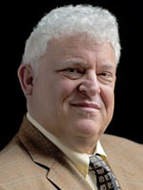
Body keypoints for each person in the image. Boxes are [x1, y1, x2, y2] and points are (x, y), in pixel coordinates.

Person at [0, 4, 142, 190]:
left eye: (104, 74)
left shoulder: (139, 156)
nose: (93, 88)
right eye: (74, 70)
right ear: (29, 80)